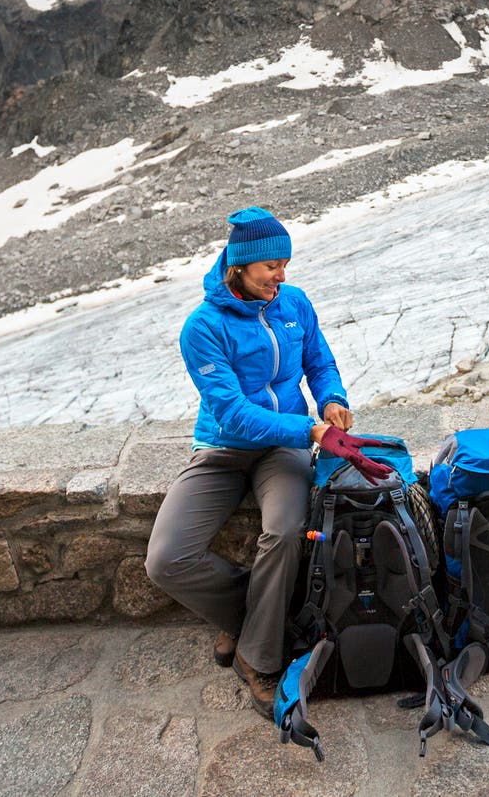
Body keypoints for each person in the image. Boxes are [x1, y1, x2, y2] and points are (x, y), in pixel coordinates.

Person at [144, 206, 387, 717]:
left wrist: (332, 400)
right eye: (271, 266)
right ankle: (257, 616)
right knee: (165, 560)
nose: (282, 276)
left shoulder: (293, 303)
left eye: (285, 263)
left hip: (284, 449)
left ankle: (256, 656)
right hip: (222, 449)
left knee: (282, 532)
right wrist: (311, 429)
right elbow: (233, 415)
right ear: (240, 266)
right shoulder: (203, 327)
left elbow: (320, 362)